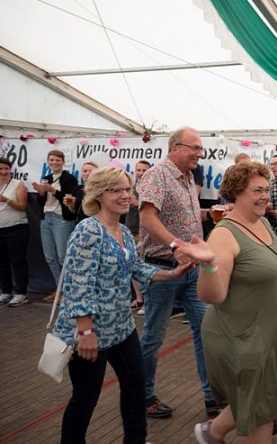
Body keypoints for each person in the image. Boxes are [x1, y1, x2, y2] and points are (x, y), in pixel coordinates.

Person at [53, 166, 192, 444]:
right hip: (91, 332)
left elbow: (136, 267)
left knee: (136, 387)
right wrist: (85, 331)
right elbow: (77, 284)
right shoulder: (88, 231)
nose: (125, 195)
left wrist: (170, 274)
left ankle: (136, 440)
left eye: (127, 189)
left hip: (121, 328)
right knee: (86, 397)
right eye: (115, 190)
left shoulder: (124, 231)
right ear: (98, 195)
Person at [174, 162, 277, 443]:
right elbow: (212, 296)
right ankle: (211, 433)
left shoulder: (263, 222)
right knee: (261, 411)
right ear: (237, 192)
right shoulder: (224, 234)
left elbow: (270, 268)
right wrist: (209, 264)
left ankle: (211, 433)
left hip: (266, 337)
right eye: (257, 190)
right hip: (241, 338)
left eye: (266, 190)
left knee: (259, 404)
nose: (265, 196)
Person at [138, 127, 218, 418]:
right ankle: (143, 394)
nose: (200, 153)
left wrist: (212, 213)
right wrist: (175, 246)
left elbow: (183, 216)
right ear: (175, 148)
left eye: (201, 149)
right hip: (162, 268)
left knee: (206, 331)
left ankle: (212, 396)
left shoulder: (187, 177)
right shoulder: (157, 175)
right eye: (194, 148)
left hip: (192, 271)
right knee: (154, 336)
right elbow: (147, 217)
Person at [32, 150, 79, 288]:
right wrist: (41, 193)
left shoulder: (70, 178)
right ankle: (61, 289)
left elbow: (69, 200)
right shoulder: (46, 178)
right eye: (51, 160)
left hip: (61, 220)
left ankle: (70, 288)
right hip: (46, 219)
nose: (54, 162)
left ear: (63, 162)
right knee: (50, 258)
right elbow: (41, 203)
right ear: (48, 162)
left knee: (63, 257)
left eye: (58, 160)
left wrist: (53, 190)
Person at [0, 157, 29, 307]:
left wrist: (5, 199)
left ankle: (21, 293)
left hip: (16, 227)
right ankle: (5, 291)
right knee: (2, 261)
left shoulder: (18, 184)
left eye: (6, 168)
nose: (4, 172)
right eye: (0, 169)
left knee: (18, 261)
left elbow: (22, 206)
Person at [125, 160, 151, 313]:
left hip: (144, 232)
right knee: (132, 266)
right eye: (138, 170)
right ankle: (139, 299)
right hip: (130, 229)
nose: (140, 173)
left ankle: (148, 302)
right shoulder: (130, 188)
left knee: (144, 267)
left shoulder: (150, 188)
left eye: (144, 170)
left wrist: (136, 202)